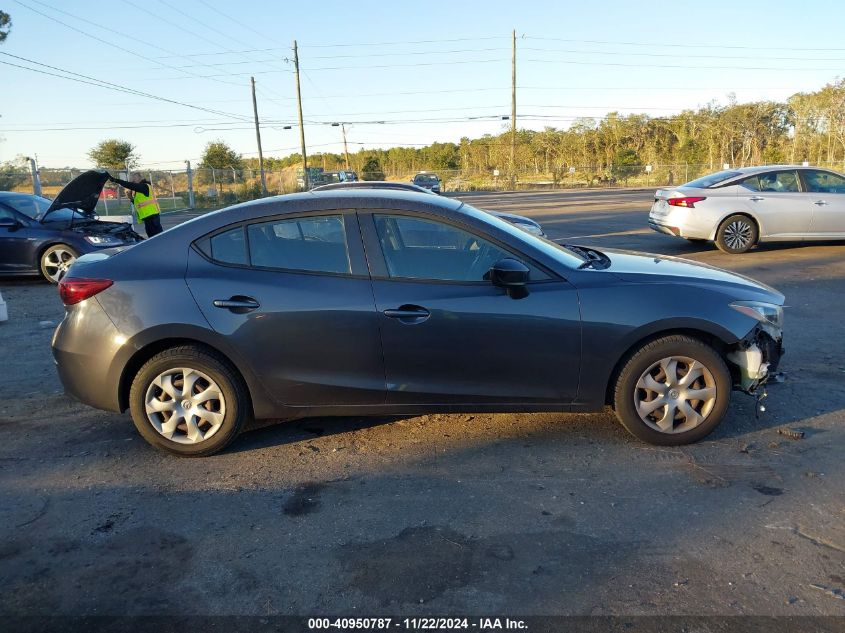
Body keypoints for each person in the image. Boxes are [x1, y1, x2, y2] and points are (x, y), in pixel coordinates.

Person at [107, 172, 163, 237]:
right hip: (148, 217)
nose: (133, 180)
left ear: (140, 178)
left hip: (152, 216)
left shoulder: (144, 186)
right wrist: (130, 197)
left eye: (134, 178)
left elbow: (130, 185)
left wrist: (116, 180)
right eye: (132, 179)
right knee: (152, 237)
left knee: (157, 236)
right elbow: (138, 204)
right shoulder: (138, 190)